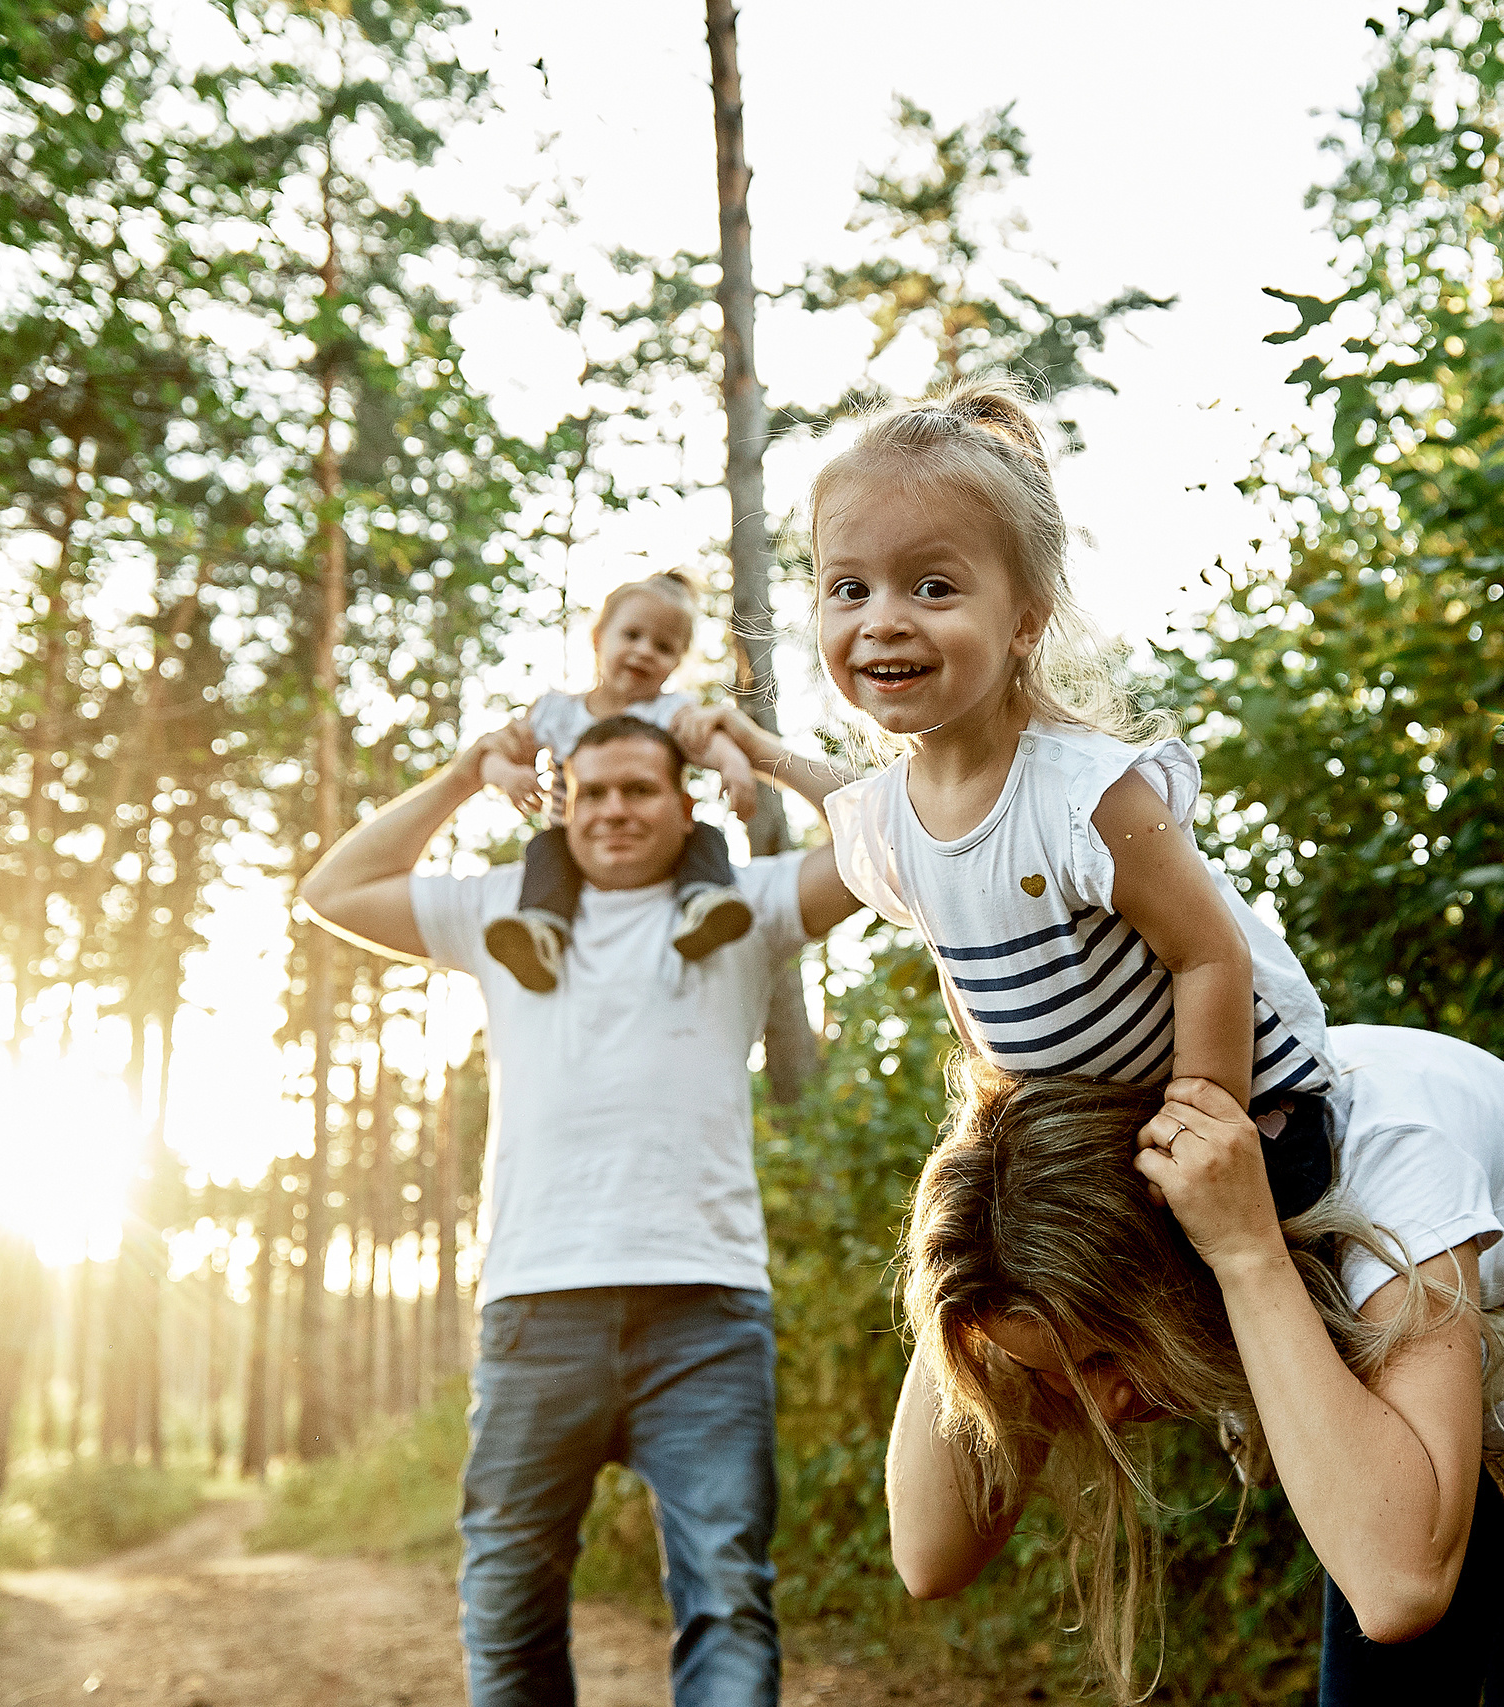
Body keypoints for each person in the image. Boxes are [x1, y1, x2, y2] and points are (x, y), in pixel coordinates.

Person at [883, 1025, 1504, 1705]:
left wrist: (1250, 1253)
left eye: (1107, 1351)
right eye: (1059, 1371)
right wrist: (983, 1192)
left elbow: (1401, 1587)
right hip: (1427, 1349)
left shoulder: (1390, 1169)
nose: (1098, 1404)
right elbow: (931, 1554)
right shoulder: (1097, 1242)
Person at [298, 712, 860, 1707]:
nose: (613, 810)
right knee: (507, 1604)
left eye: (639, 789)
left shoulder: (742, 904)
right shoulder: (508, 912)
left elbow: (888, 843)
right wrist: (466, 775)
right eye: (592, 792)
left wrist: (756, 752)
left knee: (727, 1599)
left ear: (683, 804)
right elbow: (332, 891)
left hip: (706, 1312)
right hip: (536, 1308)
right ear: (564, 807)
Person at [684, 379, 1334, 1135]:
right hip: (1089, 1130)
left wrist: (1202, 1124)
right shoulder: (894, 818)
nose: (882, 621)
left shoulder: (1086, 797)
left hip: (1250, 1102)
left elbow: (1209, 955)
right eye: (850, 588)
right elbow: (958, 966)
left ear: (1025, 620)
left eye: (932, 587)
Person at [481, 570, 762, 992]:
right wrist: (507, 775)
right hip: (574, 837)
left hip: (655, 844)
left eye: (663, 647)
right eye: (631, 635)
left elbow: (713, 743)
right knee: (545, 850)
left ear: (676, 662)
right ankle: (540, 935)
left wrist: (736, 766)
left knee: (704, 836)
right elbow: (491, 754)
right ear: (598, 638)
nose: (644, 652)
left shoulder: (670, 713)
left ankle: (705, 906)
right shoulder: (557, 712)